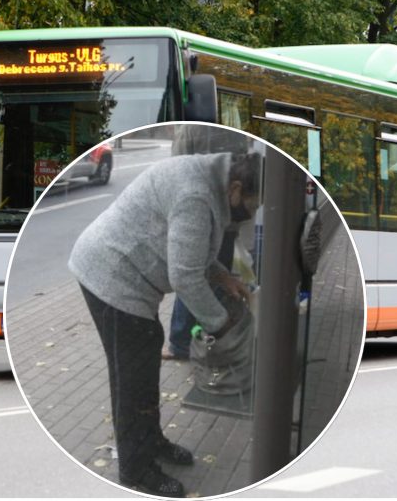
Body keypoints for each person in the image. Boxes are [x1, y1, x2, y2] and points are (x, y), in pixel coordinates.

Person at [68, 150, 260, 497]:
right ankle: (136, 469)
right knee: (133, 378)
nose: (252, 212)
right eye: (251, 203)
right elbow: (185, 276)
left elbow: (191, 250)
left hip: (122, 274)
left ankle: (150, 439)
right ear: (234, 187)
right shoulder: (197, 194)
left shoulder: (209, 180)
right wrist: (220, 326)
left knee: (141, 366)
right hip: (111, 276)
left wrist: (222, 277)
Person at [164, 124, 250, 360]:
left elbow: (177, 169)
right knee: (202, 275)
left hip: (200, 214)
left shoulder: (190, 129)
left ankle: (184, 342)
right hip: (226, 216)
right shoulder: (237, 125)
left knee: (196, 273)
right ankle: (205, 338)